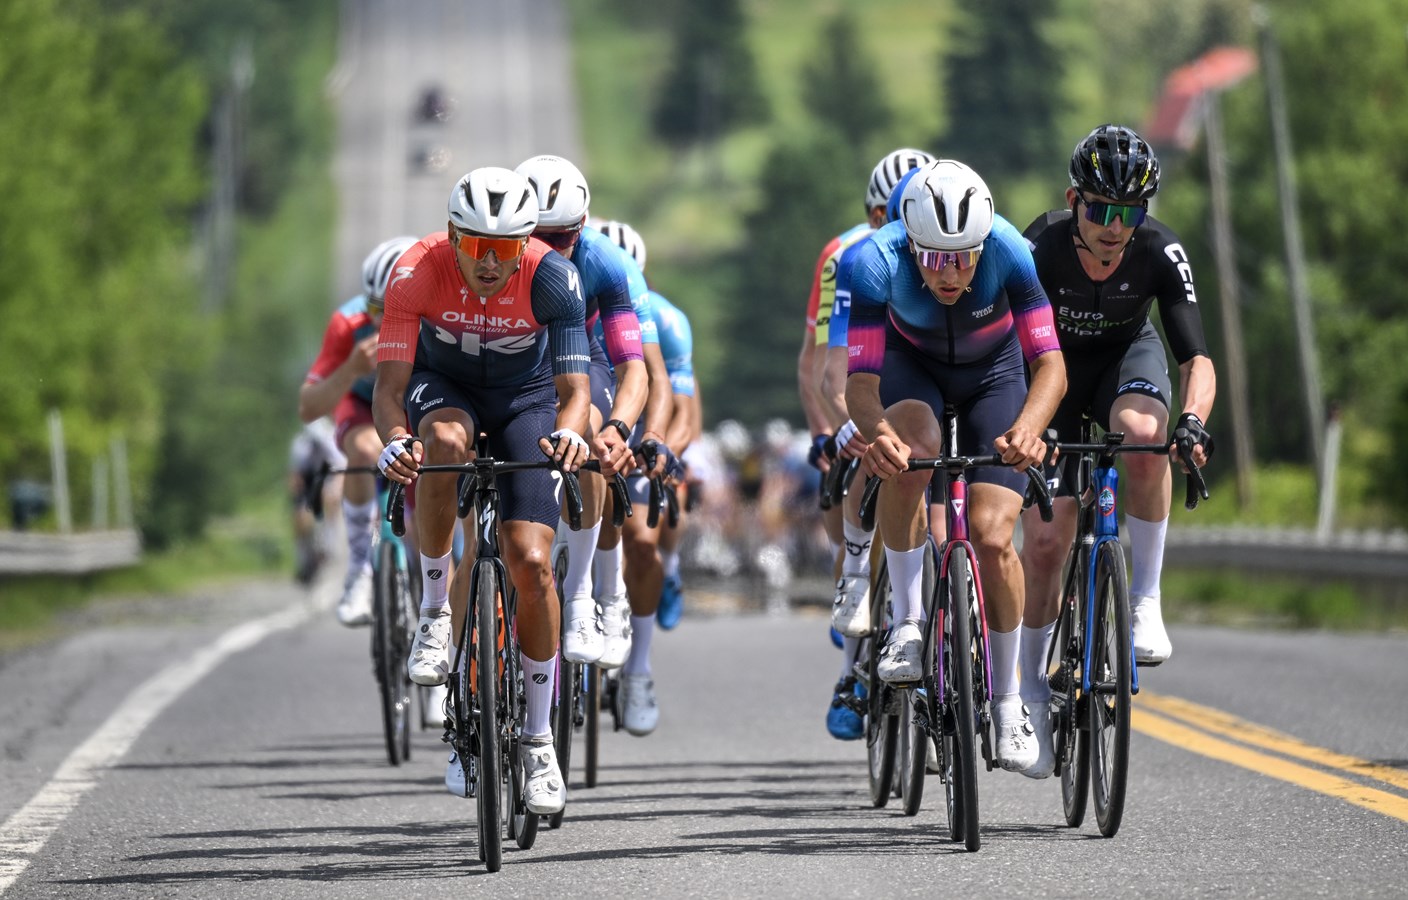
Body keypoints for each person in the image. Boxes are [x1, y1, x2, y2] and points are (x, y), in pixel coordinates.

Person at [373, 166, 593, 816]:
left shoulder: (553, 277)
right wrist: (394, 440)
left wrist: (570, 433)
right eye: (476, 246)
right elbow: (389, 388)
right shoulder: (415, 272)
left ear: (526, 243)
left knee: (530, 562)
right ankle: (435, 613)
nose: (490, 263)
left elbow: (575, 390)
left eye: (504, 249)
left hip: (526, 399)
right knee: (442, 445)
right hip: (445, 389)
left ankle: (537, 740)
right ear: (452, 236)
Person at [846, 159, 1066, 772]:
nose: (951, 273)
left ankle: (1008, 703)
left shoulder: (1010, 250)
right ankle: (908, 624)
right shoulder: (876, 260)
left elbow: (1050, 365)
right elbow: (860, 384)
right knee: (910, 448)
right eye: (936, 258)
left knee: (994, 538)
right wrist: (879, 436)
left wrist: (1029, 428)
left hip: (994, 373)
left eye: (965, 258)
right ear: (909, 240)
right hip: (911, 366)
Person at [1017, 124, 1216, 777]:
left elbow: (1196, 358)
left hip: (1127, 360)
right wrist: (1023, 425)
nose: (1113, 227)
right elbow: (1003, 346)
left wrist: (1191, 421)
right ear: (1073, 200)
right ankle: (1029, 694)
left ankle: (1145, 601)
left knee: (1142, 436)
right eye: (1100, 210)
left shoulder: (1161, 250)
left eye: (1129, 213)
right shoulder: (1038, 245)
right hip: (1050, 372)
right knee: (1045, 542)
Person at [513, 156, 669, 677]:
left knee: (589, 441)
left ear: (581, 228)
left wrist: (620, 428)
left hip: (582, 360)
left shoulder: (604, 262)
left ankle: (591, 596)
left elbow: (635, 369)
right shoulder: (494, 254)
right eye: (535, 237)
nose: (547, 249)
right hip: (514, 363)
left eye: (560, 238)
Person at [814, 148, 934, 741]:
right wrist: (841, 427)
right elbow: (827, 368)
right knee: (867, 471)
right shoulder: (853, 258)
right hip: (871, 379)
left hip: (927, 381)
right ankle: (852, 667)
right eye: (883, 214)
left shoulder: (949, 253)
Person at [299, 235, 420, 625]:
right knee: (365, 450)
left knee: (425, 528)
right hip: (363, 407)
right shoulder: (348, 323)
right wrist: (351, 369)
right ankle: (358, 572)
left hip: (418, 408)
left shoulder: (440, 321)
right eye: (375, 309)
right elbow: (308, 407)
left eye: (395, 311)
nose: (381, 322)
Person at [287, 416, 346, 585]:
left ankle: (330, 542)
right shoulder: (300, 446)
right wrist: (301, 503)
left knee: (331, 499)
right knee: (300, 518)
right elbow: (295, 478)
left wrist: (334, 492)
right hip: (309, 478)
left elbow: (340, 471)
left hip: (330, 474)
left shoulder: (331, 442)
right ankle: (303, 558)